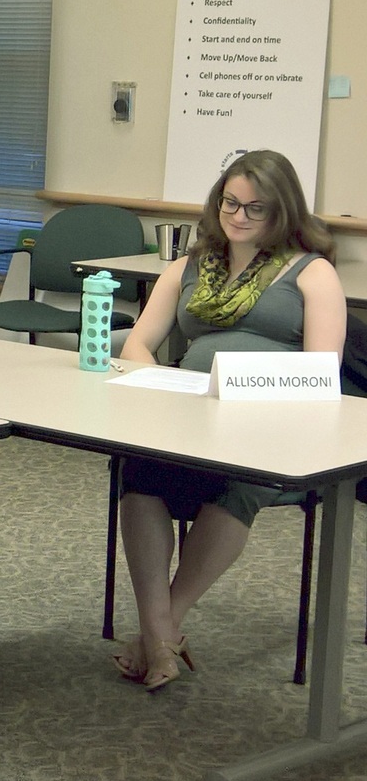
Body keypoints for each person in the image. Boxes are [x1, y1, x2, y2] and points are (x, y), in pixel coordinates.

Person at [113, 150, 344, 690]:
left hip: (273, 427)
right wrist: (159, 388)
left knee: (235, 488)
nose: (238, 217)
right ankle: (161, 632)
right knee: (140, 476)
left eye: (255, 208)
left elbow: (321, 372)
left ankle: (156, 634)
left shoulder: (313, 273)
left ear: (282, 211)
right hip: (191, 418)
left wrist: (254, 399)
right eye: (230, 202)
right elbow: (139, 345)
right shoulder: (189, 267)